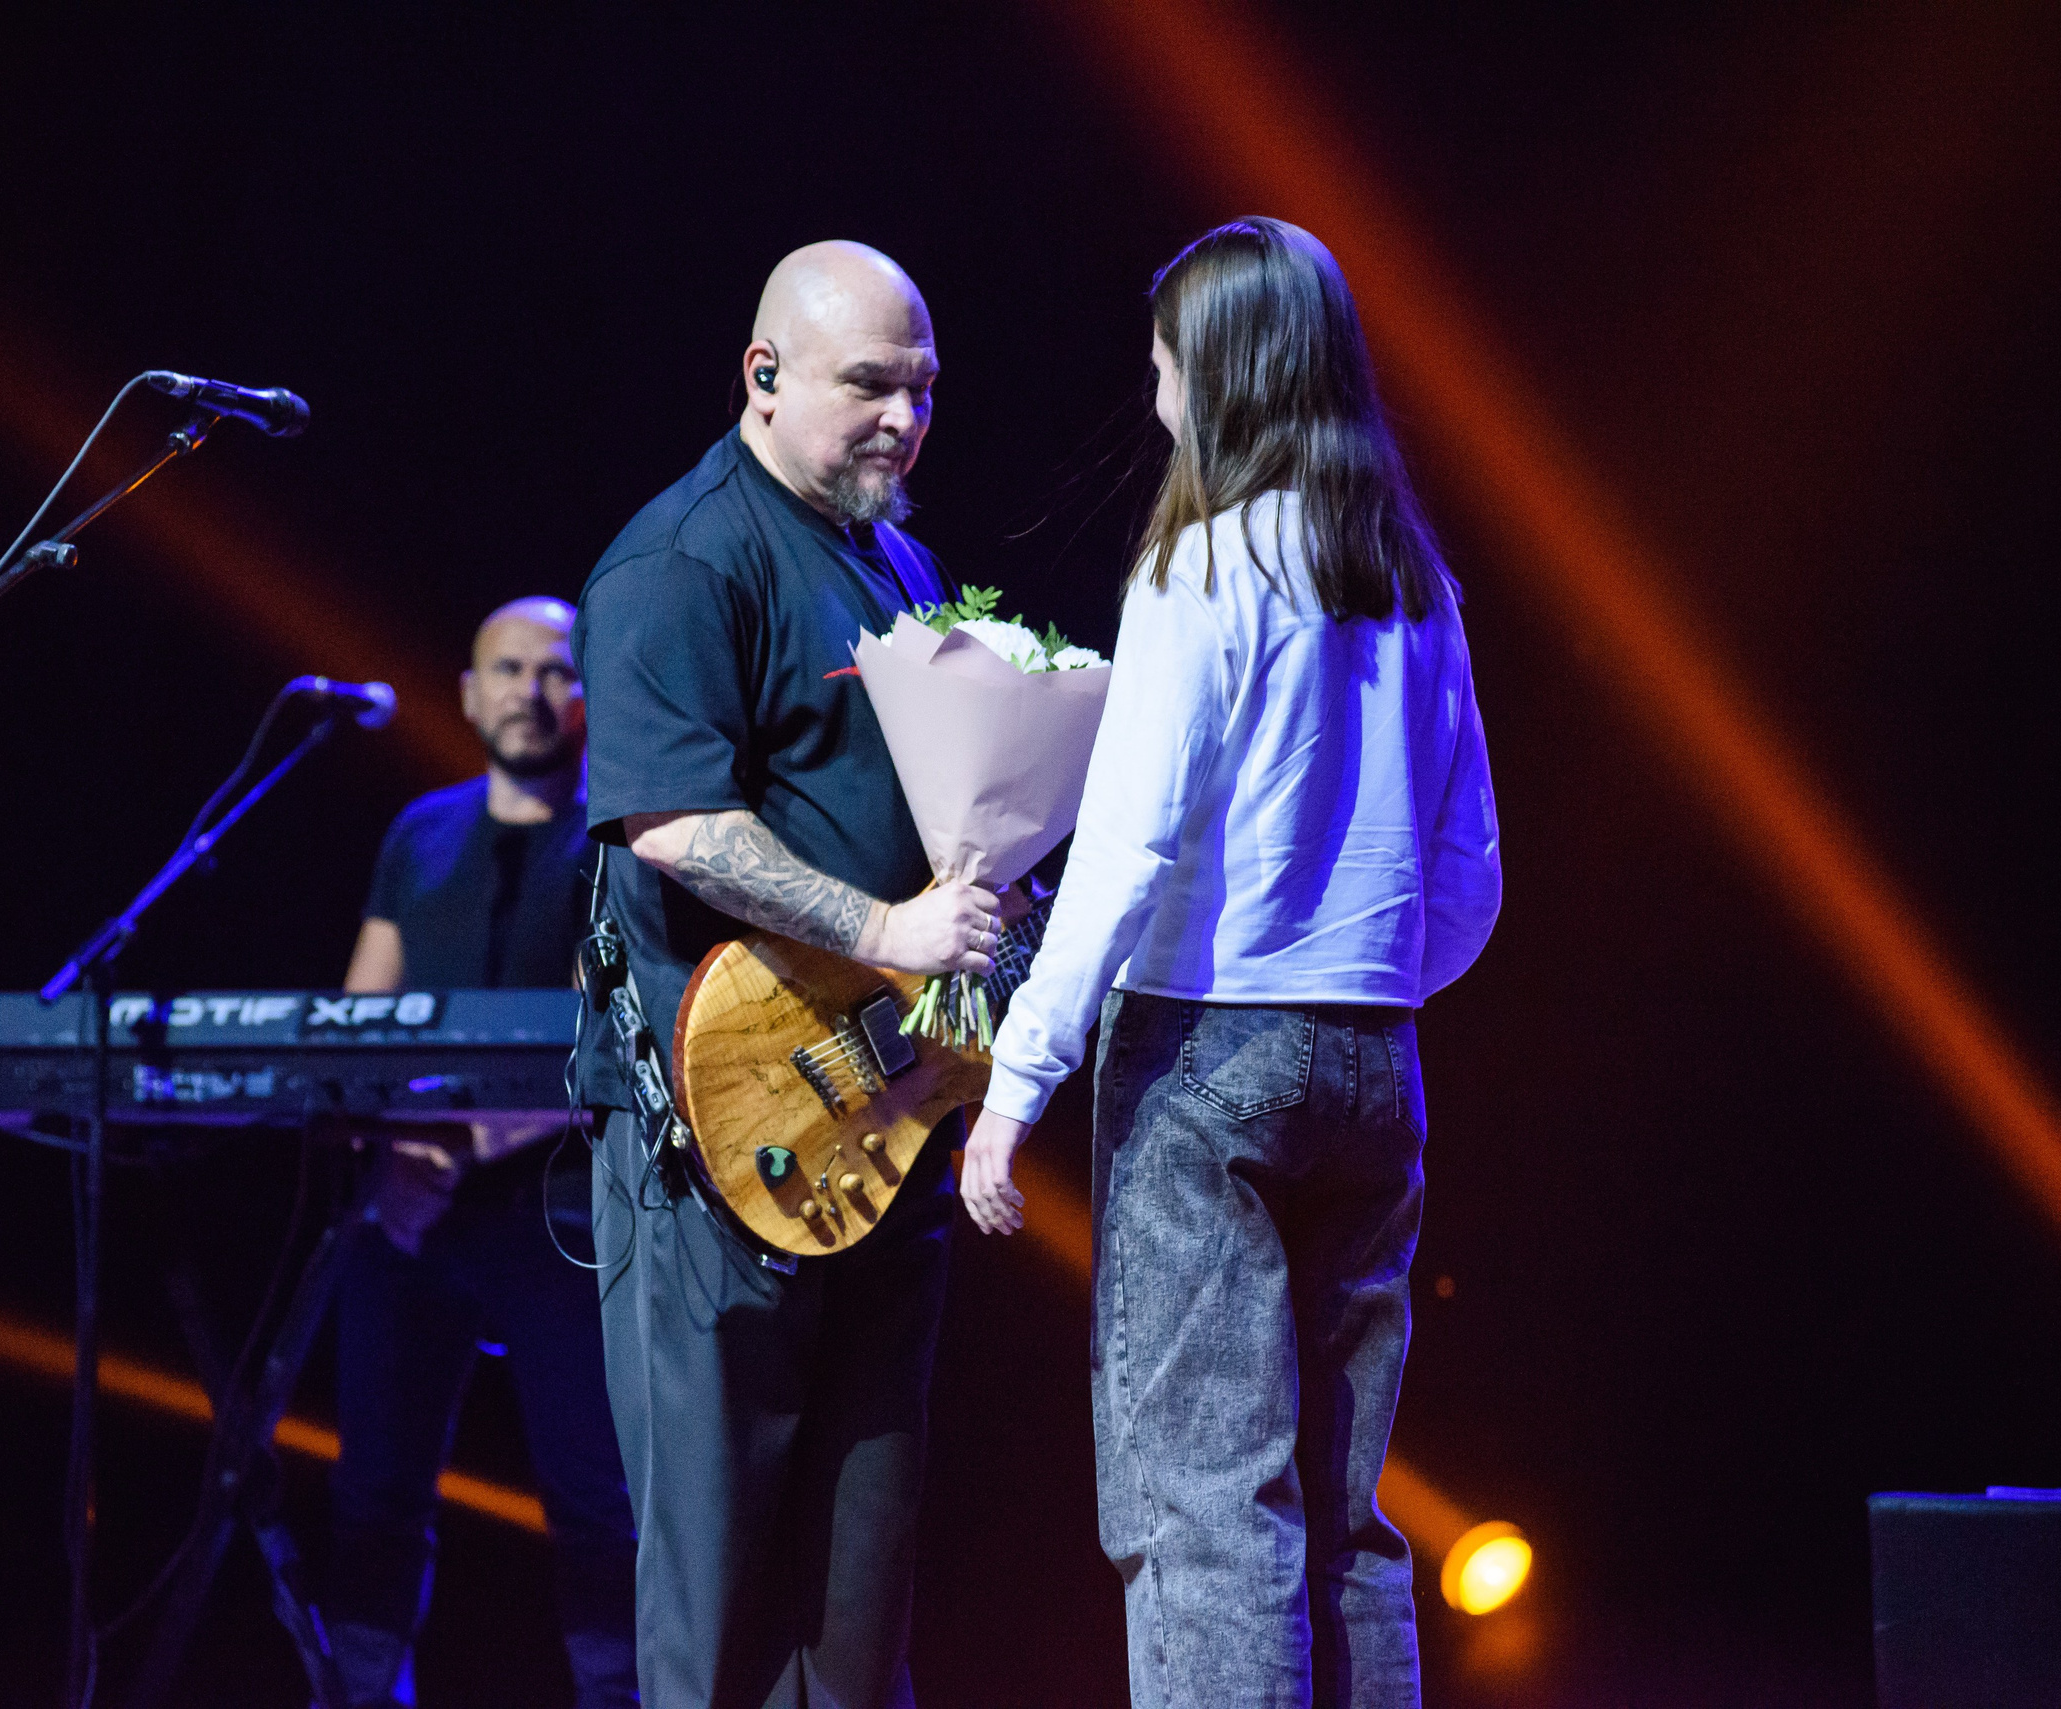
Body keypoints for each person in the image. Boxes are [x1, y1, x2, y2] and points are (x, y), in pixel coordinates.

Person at [960, 218, 1503, 1708]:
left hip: (1207, 1056)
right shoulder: (1417, 584)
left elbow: (1127, 852)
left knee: (1205, 1513)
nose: (1154, 402)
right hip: (1373, 1059)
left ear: (1223, 375)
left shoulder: (1199, 568)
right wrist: (1362, 978)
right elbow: (1469, 876)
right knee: (1345, 1517)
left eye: (1163, 368)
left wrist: (1015, 1082)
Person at [572, 240, 1008, 1708]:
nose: (904, 417)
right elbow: (676, 821)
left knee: (860, 1603)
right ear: (763, 376)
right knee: (718, 1590)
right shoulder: (684, 558)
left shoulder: (897, 554)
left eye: (924, 387)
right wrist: (891, 935)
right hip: (717, 1137)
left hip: (877, 1119)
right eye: (868, 385)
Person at [326, 597, 637, 1708]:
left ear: (585, 694)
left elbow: (604, 1034)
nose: (529, 690)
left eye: (553, 671)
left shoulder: (617, 836)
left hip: (556, 1214)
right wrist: (388, 1137)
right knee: (372, 1486)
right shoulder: (421, 831)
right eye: (506, 669)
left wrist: (456, 1144)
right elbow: (359, 1020)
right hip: (410, 1208)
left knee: (596, 1496)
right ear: (467, 691)